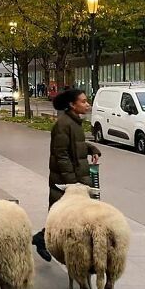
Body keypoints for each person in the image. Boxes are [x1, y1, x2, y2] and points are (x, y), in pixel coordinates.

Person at [33, 88, 101, 262]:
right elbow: (61, 153)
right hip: (65, 181)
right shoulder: (63, 124)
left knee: (66, 216)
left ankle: (46, 239)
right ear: (72, 104)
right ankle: (43, 239)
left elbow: (75, 145)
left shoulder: (74, 122)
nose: (87, 104)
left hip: (74, 179)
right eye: (83, 101)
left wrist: (90, 148)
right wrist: (72, 183)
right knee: (60, 216)